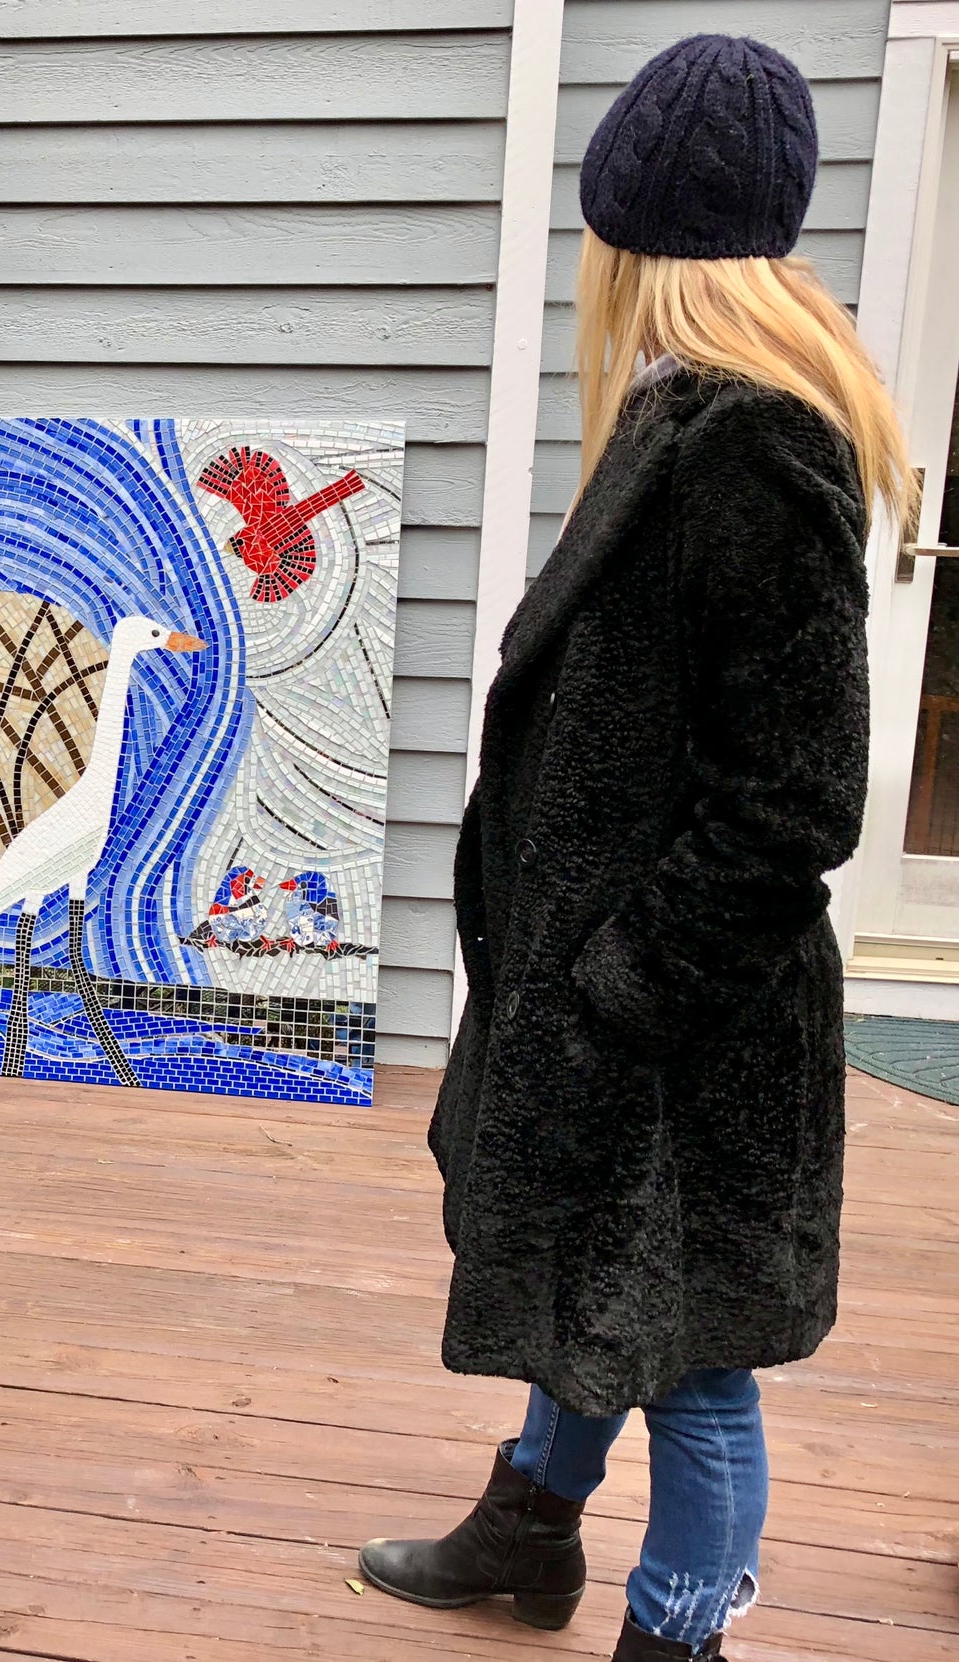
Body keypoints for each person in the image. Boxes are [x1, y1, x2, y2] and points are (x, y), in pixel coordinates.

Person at [357, 35, 910, 1662]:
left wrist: (613, 995)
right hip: (614, 997)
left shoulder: (759, 451)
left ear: (636, 245)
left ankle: (679, 1636)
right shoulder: (685, 419)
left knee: (691, 1360)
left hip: (685, 1023)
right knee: (605, 1278)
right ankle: (531, 1529)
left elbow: (793, 804)